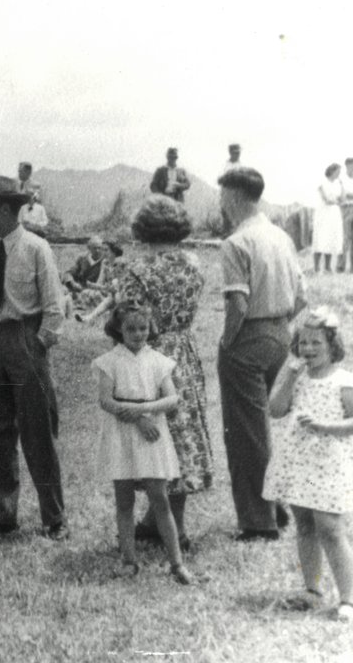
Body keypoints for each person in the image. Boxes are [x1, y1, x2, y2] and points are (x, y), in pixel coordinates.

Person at [95, 209, 213, 550]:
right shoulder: (194, 263)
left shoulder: (138, 269)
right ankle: (169, 523)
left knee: (153, 436)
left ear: (143, 229)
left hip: (147, 356)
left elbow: (125, 320)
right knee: (180, 435)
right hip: (184, 354)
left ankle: (162, 525)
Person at [0, 176, 68, 540]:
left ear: (6, 208)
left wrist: (40, 343)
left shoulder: (36, 248)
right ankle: (1, 516)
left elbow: (54, 306)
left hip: (26, 340)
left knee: (37, 430)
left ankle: (54, 518)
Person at [217, 167, 307, 542]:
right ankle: (274, 506)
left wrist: (226, 342)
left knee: (244, 434)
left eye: (223, 196)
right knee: (265, 430)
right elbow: (302, 295)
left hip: (249, 339)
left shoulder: (236, 242)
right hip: (280, 336)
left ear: (234, 197)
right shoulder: (280, 236)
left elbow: (237, 304)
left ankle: (258, 521)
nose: (221, 203)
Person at [265, 308, 353, 621]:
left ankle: (349, 599)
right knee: (305, 525)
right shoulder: (296, 377)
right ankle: (312, 590)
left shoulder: (346, 380)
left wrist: (325, 427)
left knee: (330, 528)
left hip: (331, 463)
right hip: (300, 462)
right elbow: (275, 410)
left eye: (316, 343)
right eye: (303, 343)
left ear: (332, 345)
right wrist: (290, 376)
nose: (308, 349)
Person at [93, 303, 195, 584]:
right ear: (118, 329)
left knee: (160, 497)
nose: (138, 334)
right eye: (130, 328)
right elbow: (105, 399)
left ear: (151, 328)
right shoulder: (109, 361)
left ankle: (176, 563)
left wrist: (143, 410)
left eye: (143, 328)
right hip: (122, 433)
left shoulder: (158, 361)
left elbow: (172, 398)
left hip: (152, 432)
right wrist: (137, 417)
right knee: (124, 499)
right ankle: (129, 560)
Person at [311, 164, 344, 273]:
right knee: (320, 237)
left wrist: (342, 186)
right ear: (332, 171)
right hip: (323, 213)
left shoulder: (337, 184)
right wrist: (336, 202)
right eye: (337, 171)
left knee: (331, 238)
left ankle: (327, 266)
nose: (339, 174)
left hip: (334, 214)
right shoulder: (322, 182)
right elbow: (326, 199)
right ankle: (316, 267)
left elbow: (342, 199)